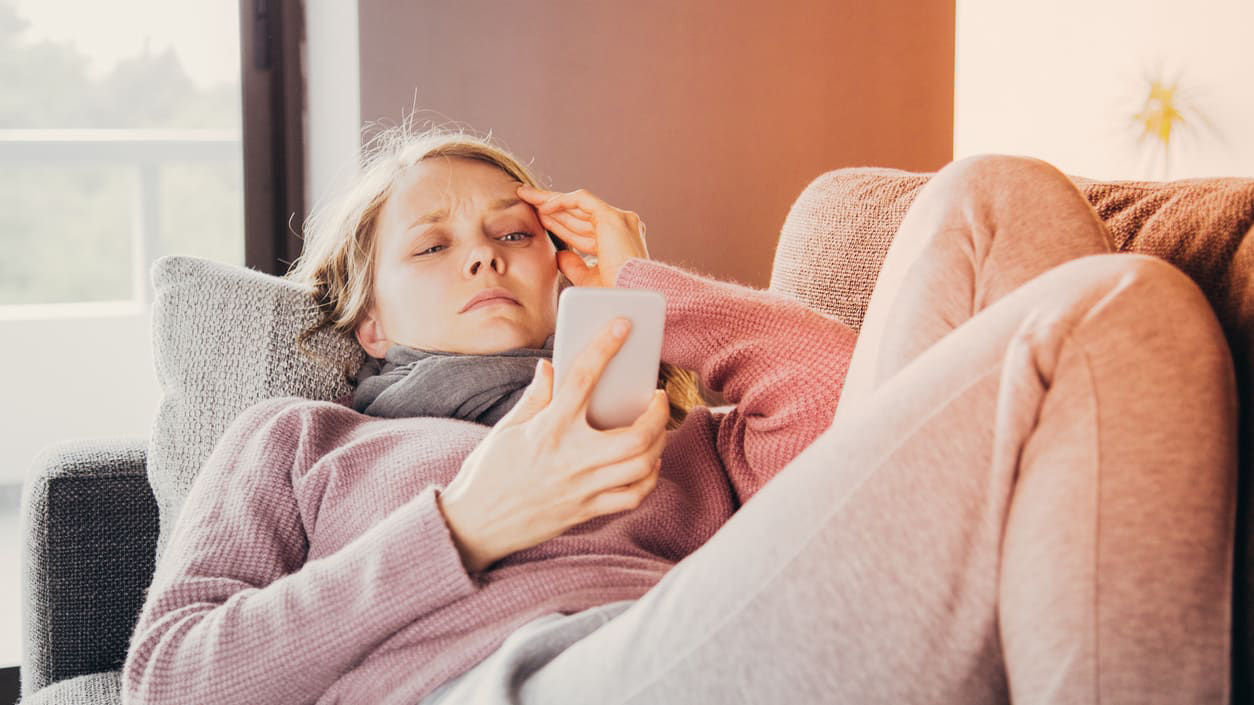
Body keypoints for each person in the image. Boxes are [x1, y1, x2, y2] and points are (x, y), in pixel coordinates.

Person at [120, 124, 1237, 705]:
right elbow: (169, 682)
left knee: (997, 195)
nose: (484, 256)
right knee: (1123, 309)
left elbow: (871, 430)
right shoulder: (297, 443)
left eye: (513, 232)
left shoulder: (669, 432)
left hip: (731, 639)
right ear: (368, 321)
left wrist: (643, 293)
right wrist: (464, 526)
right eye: (432, 245)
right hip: (502, 685)